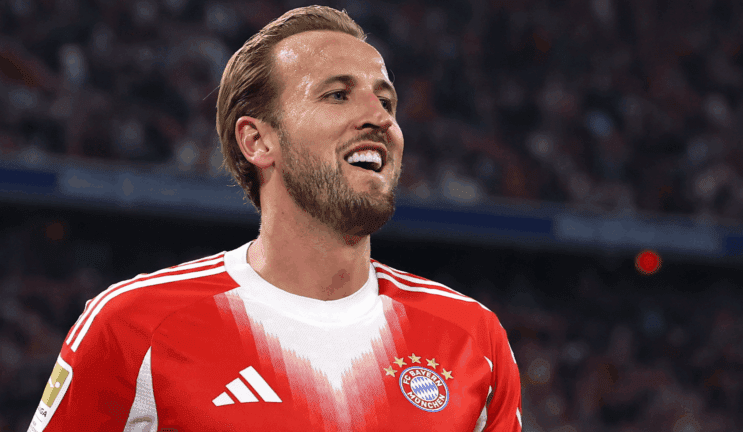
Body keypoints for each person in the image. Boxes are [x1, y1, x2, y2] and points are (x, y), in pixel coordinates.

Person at [28, 6, 521, 431]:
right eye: (337, 94)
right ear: (258, 141)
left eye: (386, 100)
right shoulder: (133, 325)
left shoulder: (472, 337)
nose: (381, 118)